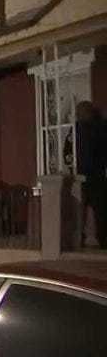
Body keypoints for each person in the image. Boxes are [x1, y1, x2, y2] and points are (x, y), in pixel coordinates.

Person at [76, 101, 106, 248]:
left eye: (80, 112)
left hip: (96, 175)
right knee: (79, 209)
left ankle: (102, 239)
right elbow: (70, 149)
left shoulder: (99, 128)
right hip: (82, 175)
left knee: (100, 209)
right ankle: (78, 238)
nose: (78, 115)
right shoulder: (78, 129)